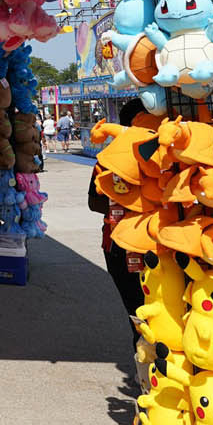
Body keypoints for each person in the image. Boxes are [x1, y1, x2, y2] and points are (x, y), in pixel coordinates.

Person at [88, 98, 147, 347]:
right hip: (120, 246)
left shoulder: (165, 154)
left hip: (155, 245)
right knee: (138, 311)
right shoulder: (108, 160)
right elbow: (94, 202)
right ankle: (144, 357)